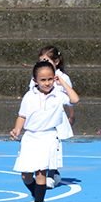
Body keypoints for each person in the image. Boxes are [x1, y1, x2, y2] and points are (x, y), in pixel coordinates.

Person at [9, 60, 79, 202]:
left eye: (50, 79)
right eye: (43, 80)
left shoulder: (59, 95)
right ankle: (38, 196)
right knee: (26, 175)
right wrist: (17, 129)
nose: (47, 83)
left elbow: (75, 99)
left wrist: (62, 82)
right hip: (30, 137)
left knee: (41, 172)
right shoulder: (29, 96)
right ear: (35, 81)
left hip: (48, 137)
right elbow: (22, 115)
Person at [29, 45, 74, 189]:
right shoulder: (36, 77)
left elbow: (70, 98)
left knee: (54, 146)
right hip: (41, 117)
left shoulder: (63, 77)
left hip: (57, 116)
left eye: (47, 60)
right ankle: (42, 169)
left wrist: (71, 115)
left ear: (56, 62)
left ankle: (52, 173)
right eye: (41, 60)